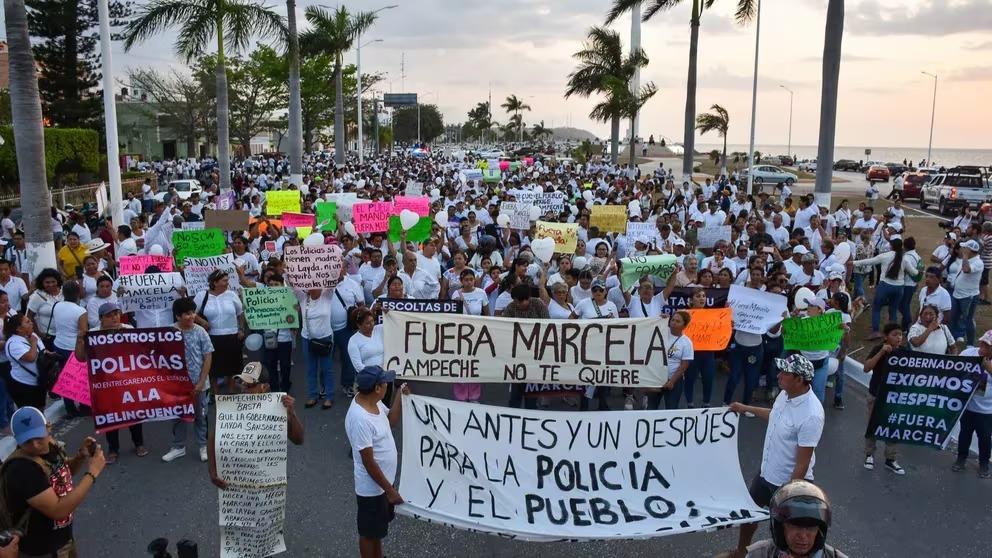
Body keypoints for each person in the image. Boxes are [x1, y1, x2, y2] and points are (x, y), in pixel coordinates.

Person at [721, 354, 824, 558]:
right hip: (766, 473)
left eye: (785, 373)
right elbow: (774, 415)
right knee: (749, 515)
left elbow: (802, 464)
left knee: (787, 532)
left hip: (787, 483)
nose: (778, 376)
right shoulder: (785, 394)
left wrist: (789, 496)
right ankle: (742, 551)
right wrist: (745, 408)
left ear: (799, 380)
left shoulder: (812, 415)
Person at [0, 407, 105, 557]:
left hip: (63, 539)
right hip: (42, 549)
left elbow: (61, 474)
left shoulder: (51, 446)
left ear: (48, 427)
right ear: (17, 440)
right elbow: (58, 511)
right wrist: (92, 473)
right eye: (27, 441)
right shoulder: (22, 470)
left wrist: (80, 457)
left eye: (38, 437)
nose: (35, 445)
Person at [345, 366, 409, 558]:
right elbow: (368, 462)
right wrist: (390, 491)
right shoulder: (360, 419)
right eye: (385, 383)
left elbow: (391, 421)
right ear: (377, 389)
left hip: (383, 485)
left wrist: (399, 395)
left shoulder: (374, 402)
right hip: (372, 489)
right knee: (367, 533)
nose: (388, 384)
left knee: (377, 530)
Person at [208, 363, 304, 488]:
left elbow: (298, 439)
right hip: (238, 485)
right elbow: (214, 437)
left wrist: (292, 414)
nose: (244, 388)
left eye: (249, 385)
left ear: (264, 387)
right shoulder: (232, 407)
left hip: (267, 486)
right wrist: (212, 470)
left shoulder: (277, 409)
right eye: (241, 382)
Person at [87, 302, 148, 463]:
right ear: (101, 319)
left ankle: (139, 444)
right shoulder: (92, 334)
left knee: (134, 413)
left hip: (127, 380)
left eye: (116, 313)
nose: (114, 317)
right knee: (110, 415)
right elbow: (80, 357)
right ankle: (113, 449)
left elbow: (140, 351)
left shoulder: (128, 329)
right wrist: (80, 340)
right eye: (109, 315)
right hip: (105, 383)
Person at [162, 297, 214, 463]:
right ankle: (178, 447)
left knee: (200, 415)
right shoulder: (169, 332)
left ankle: (203, 446)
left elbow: (207, 357)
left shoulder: (200, 332)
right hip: (177, 385)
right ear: (178, 316)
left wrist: (201, 382)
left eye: (193, 312)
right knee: (178, 416)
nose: (191, 316)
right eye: (187, 314)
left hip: (198, 384)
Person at [746, 481, 848, 558]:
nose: (803, 536)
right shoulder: (758, 554)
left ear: (820, 531)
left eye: (811, 528)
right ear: (780, 528)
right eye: (796, 526)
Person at [861, 323, 906, 475]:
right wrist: (881, 352)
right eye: (895, 334)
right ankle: (869, 455)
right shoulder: (878, 349)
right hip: (876, 395)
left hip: (894, 398)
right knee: (873, 425)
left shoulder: (905, 352)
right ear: (886, 337)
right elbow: (866, 367)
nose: (899, 337)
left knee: (892, 427)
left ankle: (890, 459)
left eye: (900, 334)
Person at [193, 269, 246, 394]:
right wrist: (202, 322)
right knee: (214, 367)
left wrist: (241, 329)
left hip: (232, 335)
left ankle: (231, 391)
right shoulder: (202, 296)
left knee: (233, 366)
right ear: (215, 282)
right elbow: (192, 313)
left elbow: (240, 313)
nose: (227, 283)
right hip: (212, 336)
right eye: (224, 280)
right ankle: (215, 393)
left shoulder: (232, 295)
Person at [852, 237, 914, 339]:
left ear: (891, 246)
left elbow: (869, 261)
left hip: (885, 285)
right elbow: (914, 272)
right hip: (899, 288)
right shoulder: (904, 259)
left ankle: (876, 331)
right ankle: (892, 332)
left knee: (876, 308)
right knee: (893, 310)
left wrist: (854, 263)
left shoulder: (885, 255)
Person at [952, 330, 992, 478]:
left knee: (985, 437)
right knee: (965, 433)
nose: (982, 346)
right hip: (968, 405)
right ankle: (961, 458)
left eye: (987, 345)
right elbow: (954, 368)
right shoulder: (969, 353)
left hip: (987, 410)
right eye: (982, 342)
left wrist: (988, 368)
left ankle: (984, 463)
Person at [3, 313, 48, 409]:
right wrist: (34, 342)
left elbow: (42, 351)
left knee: (40, 409)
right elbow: (31, 357)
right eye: (27, 322)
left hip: (38, 382)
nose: (31, 323)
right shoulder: (13, 343)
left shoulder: (32, 335)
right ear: (18, 329)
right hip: (24, 385)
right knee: (31, 414)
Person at [948, 239, 984, 345]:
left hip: (968, 296)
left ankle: (970, 344)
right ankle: (950, 340)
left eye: (964, 248)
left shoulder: (978, 262)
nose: (962, 249)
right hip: (957, 294)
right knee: (952, 317)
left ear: (970, 250)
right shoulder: (966, 258)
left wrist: (965, 256)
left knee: (968, 320)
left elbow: (966, 269)